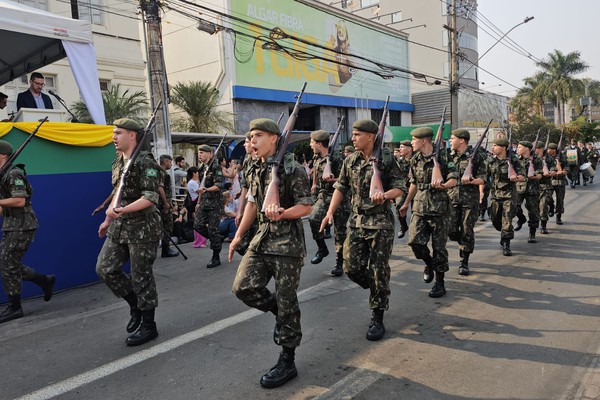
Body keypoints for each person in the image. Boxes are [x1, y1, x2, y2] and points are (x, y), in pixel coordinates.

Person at [229, 118, 312, 389]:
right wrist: (239, 235)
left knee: (288, 301)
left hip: (287, 244)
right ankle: (277, 310)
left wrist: (283, 213)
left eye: (258, 135)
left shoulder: (293, 168)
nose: (252, 140)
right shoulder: (254, 165)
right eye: (251, 136)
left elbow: (306, 206)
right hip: (262, 238)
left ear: (275, 138)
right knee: (243, 287)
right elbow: (253, 201)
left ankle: (287, 360)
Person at [322, 119, 405, 341]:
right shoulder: (350, 160)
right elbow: (341, 187)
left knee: (378, 268)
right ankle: (379, 288)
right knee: (351, 267)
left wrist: (384, 195)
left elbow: (400, 187)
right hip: (357, 221)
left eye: (357, 134)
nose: (353, 138)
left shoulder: (386, 159)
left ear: (370, 136)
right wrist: (330, 212)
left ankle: (377, 315)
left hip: (380, 223)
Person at [96, 118, 161, 346]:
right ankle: (134, 304)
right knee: (105, 268)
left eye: (119, 133)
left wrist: (121, 210)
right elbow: (118, 193)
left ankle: (148, 324)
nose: (114, 137)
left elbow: (150, 198)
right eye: (114, 133)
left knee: (141, 275)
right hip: (120, 225)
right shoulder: (117, 163)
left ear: (132, 136)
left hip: (143, 227)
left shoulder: (146, 162)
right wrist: (107, 219)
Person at [0, 141, 55, 323]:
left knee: (8, 263)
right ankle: (44, 281)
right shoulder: (2, 175)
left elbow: (19, 201)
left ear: (2, 155)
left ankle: (15, 307)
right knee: (8, 262)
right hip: (11, 223)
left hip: (23, 224)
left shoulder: (13, 173)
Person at [399, 127, 457, 298]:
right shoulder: (415, 159)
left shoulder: (444, 158)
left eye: (413, 140)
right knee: (414, 242)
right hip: (420, 207)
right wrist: (406, 203)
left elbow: (454, 179)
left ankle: (440, 283)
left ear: (423, 141)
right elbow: (414, 183)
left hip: (439, 209)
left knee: (439, 248)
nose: (411, 143)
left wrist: (444, 185)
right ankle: (428, 262)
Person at [308, 129, 350, 276]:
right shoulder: (317, 157)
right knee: (313, 220)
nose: (310, 144)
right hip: (324, 196)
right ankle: (322, 249)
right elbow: (315, 171)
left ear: (319, 144)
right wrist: (314, 183)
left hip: (340, 199)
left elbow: (347, 180)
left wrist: (333, 179)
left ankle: (339, 263)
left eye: (312, 142)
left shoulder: (338, 158)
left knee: (340, 231)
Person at [447, 129, 486, 276]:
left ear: (461, 140)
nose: (450, 141)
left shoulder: (477, 157)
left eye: (452, 138)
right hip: (451, 198)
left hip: (470, 200)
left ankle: (464, 261)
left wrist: (472, 180)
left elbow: (483, 178)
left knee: (466, 230)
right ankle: (462, 242)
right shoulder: (449, 157)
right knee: (450, 230)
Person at [486, 137, 526, 256]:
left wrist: (516, 178)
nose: (493, 148)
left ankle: (506, 244)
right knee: (495, 219)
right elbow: (484, 176)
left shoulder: (513, 160)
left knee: (507, 220)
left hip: (509, 195)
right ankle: (503, 233)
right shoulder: (490, 161)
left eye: (495, 145)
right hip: (495, 195)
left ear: (503, 148)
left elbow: (523, 176)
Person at [194, 144, 224, 268]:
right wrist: (198, 202)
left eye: (202, 152)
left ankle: (216, 257)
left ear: (209, 153)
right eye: (198, 152)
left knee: (213, 230)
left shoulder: (215, 166)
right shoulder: (201, 169)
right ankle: (217, 238)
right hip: (205, 202)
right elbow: (201, 187)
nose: (199, 155)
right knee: (197, 225)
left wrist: (206, 190)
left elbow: (218, 185)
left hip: (215, 203)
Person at [234, 131, 258, 256]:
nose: (244, 145)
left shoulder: (264, 160)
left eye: (246, 142)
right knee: (242, 244)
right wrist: (240, 210)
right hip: (250, 205)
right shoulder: (247, 160)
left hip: (261, 207)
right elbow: (245, 186)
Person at [514, 140, 542, 243]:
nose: (518, 149)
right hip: (519, 188)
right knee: (515, 206)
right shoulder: (516, 160)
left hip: (532, 189)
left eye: (520, 147)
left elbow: (540, 175)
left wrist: (533, 176)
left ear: (527, 148)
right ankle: (521, 218)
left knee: (533, 212)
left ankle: (532, 233)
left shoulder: (536, 160)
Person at [158, 154, 178, 258]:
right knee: (167, 225)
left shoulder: (159, 172)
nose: (171, 164)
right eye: (170, 162)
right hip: (163, 204)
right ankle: (166, 249)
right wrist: (166, 203)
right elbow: (160, 188)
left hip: (163, 202)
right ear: (165, 162)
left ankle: (166, 248)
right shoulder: (162, 173)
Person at [535, 142, 557, 234]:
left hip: (545, 185)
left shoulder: (548, 158)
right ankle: (551, 204)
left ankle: (543, 225)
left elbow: (553, 167)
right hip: (533, 186)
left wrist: (552, 171)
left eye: (535, 148)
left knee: (543, 205)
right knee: (535, 207)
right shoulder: (530, 158)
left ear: (540, 149)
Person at [395, 140, 413, 239]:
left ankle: (415, 231)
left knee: (416, 210)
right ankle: (403, 226)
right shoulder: (399, 161)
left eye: (402, 147)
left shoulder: (416, 159)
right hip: (403, 188)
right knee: (399, 208)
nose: (400, 149)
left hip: (415, 188)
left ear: (409, 149)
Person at [547, 143, 567, 225]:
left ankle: (558, 217)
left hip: (560, 181)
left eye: (550, 149)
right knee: (547, 197)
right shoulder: (546, 158)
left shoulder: (562, 157)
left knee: (560, 200)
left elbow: (567, 166)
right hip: (550, 181)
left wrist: (565, 170)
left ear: (554, 150)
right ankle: (551, 206)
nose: (548, 150)